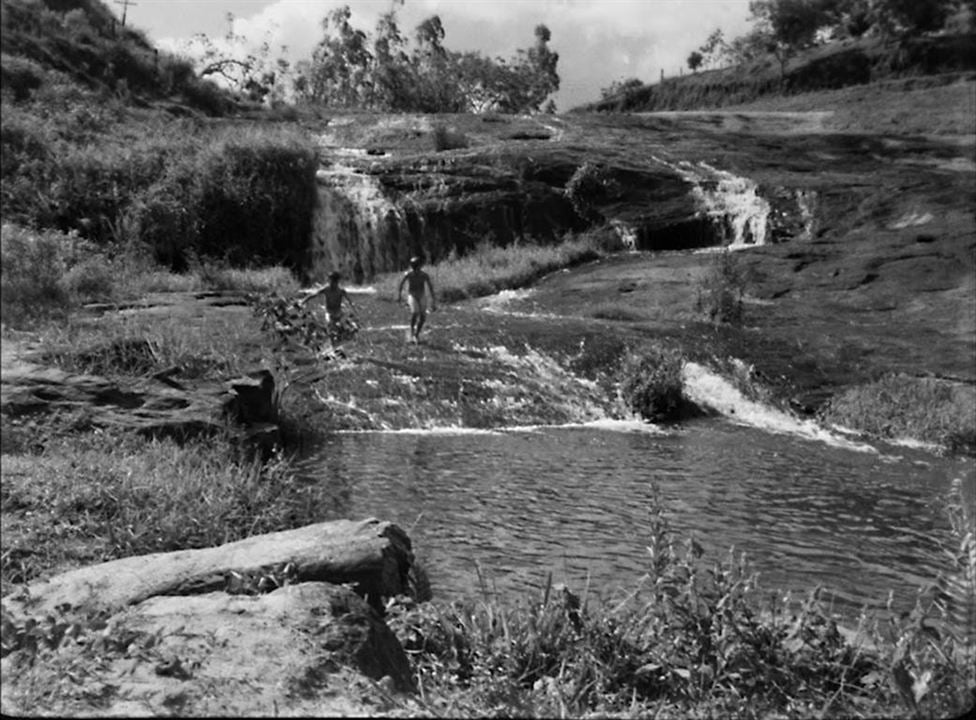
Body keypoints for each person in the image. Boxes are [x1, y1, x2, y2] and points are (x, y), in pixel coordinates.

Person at [300, 271, 356, 344]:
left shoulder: (341, 291)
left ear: (338, 282)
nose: (332, 283)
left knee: (341, 326)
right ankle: (332, 343)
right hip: (329, 311)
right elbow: (314, 294)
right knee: (330, 325)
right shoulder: (326, 289)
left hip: (338, 312)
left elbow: (349, 300)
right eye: (331, 281)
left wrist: (353, 306)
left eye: (334, 282)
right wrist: (304, 300)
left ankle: (343, 338)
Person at [397, 256, 436, 343]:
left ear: (420, 266)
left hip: (421, 295)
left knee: (423, 316)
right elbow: (401, 285)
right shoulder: (408, 274)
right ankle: (412, 331)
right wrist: (399, 297)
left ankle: (417, 334)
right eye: (414, 267)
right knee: (415, 312)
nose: (416, 270)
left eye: (417, 267)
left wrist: (433, 301)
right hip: (412, 295)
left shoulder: (424, 275)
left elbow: (430, 287)